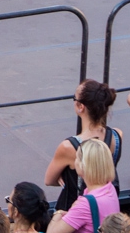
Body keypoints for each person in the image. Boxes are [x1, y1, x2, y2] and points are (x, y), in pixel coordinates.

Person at [47, 79, 124, 211]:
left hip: (74, 210)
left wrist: (64, 176)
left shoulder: (69, 147)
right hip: (106, 204)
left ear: (80, 106)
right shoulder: (116, 136)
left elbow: (49, 180)